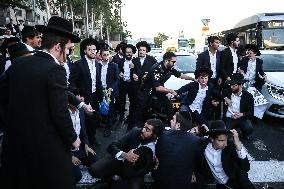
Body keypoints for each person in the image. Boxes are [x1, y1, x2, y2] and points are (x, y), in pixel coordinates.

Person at [0, 16, 81, 189]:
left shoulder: (18, 64)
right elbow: (59, 112)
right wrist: (73, 138)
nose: (67, 55)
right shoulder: (55, 70)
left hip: (16, 148)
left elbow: (3, 99)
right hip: (46, 152)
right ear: (58, 46)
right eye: (67, 49)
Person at [88, 119, 164, 189]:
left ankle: (112, 184)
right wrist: (125, 155)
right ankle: (109, 180)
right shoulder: (135, 132)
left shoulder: (161, 142)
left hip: (136, 172)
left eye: (147, 130)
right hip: (120, 162)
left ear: (155, 135)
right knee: (94, 170)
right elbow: (111, 146)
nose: (143, 130)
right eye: (144, 126)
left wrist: (156, 160)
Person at [135, 52, 195, 126]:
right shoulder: (156, 69)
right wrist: (171, 90)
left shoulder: (169, 67)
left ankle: (171, 125)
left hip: (158, 91)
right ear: (167, 61)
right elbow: (157, 88)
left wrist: (193, 79)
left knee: (169, 106)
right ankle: (134, 129)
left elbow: (179, 75)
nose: (174, 63)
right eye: (173, 62)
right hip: (147, 92)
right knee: (140, 112)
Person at [195, 120, 255, 189]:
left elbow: (246, 167)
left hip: (238, 181)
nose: (225, 144)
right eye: (221, 141)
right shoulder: (202, 145)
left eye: (226, 140)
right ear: (211, 139)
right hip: (220, 185)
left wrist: (238, 144)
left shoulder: (230, 146)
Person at [69, 37, 103, 147]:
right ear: (85, 51)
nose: (93, 52)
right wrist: (78, 95)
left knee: (94, 119)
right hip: (83, 98)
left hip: (94, 96)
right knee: (85, 121)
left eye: (94, 50)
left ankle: (92, 139)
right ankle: (85, 143)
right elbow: (72, 82)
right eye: (90, 49)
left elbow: (97, 81)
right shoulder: (78, 64)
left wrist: (101, 96)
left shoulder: (97, 64)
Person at [154, 111, 201, 189]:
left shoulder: (163, 136)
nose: (170, 121)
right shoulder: (196, 140)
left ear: (178, 125)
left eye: (173, 119)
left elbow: (158, 154)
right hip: (184, 182)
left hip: (162, 181)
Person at [68, 89, 97, 183]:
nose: (81, 98)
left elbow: (83, 131)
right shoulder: (63, 114)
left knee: (96, 161)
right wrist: (70, 156)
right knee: (77, 176)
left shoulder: (80, 111)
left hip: (79, 149)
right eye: (78, 95)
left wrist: (86, 145)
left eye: (82, 96)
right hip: (66, 152)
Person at [196, 36, 222, 119]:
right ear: (211, 43)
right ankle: (207, 118)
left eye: (219, 42)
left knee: (217, 98)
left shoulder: (220, 54)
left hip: (217, 80)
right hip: (207, 80)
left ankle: (217, 119)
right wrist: (201, 80)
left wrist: (220, 77)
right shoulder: (202, 55)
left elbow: (222, 67)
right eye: (217, 42)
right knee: (207, 98)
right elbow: (198, 69)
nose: (218, 44)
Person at [223, 73, 254, 140]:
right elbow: (218, 93)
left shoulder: (248, 96)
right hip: (229, 118)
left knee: (249, 128)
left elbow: (251, 113)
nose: (231, 87)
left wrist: (242, 114)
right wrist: (225, 98)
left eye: (234, 85)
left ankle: (244, 134)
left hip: (242, 118)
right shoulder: (227, 92)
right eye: (231, 85)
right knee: (225, 134)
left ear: (241, 85)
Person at [99, 47, 119, 137]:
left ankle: (108, 128)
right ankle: (101, 122)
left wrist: (111, 88)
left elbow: (117, 79)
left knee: (110, 110)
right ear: (100, 56)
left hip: (109, 91)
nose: (106, 57)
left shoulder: (114, 65)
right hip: (99, 90)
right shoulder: (97, 65)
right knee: (101, 108)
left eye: (107, 55)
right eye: (104, 55)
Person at [117, 44, 137, 129]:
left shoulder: (136, 61)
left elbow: (139, 71)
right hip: (123, 83)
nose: (128, 54)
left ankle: (130, 117)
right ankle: (121, 116)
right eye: (127, 52)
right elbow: (117, 69)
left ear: (132, 53)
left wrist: (134, 67)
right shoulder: (120, 61)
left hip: (132, 84)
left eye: (130, 52)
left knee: (132, 101)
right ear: (124, 53)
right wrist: (119, 73)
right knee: (122, 101)